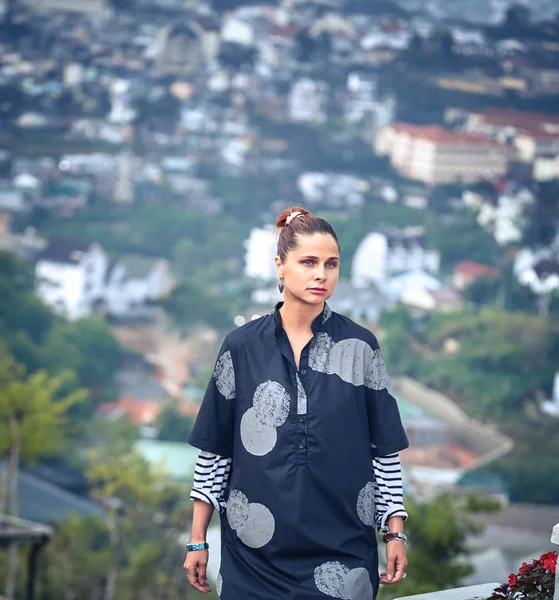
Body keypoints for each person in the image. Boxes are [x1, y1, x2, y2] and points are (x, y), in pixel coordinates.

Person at [183, 207, 410, 600]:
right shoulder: (241, 347)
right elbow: (215, 453)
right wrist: (198, 540)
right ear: (280, 266)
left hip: (342, 556)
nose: (321, 274)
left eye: (331, 264)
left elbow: (384, 452)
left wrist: (394, 532)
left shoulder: (360, 348)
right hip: (252, 559)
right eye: (308, 262)